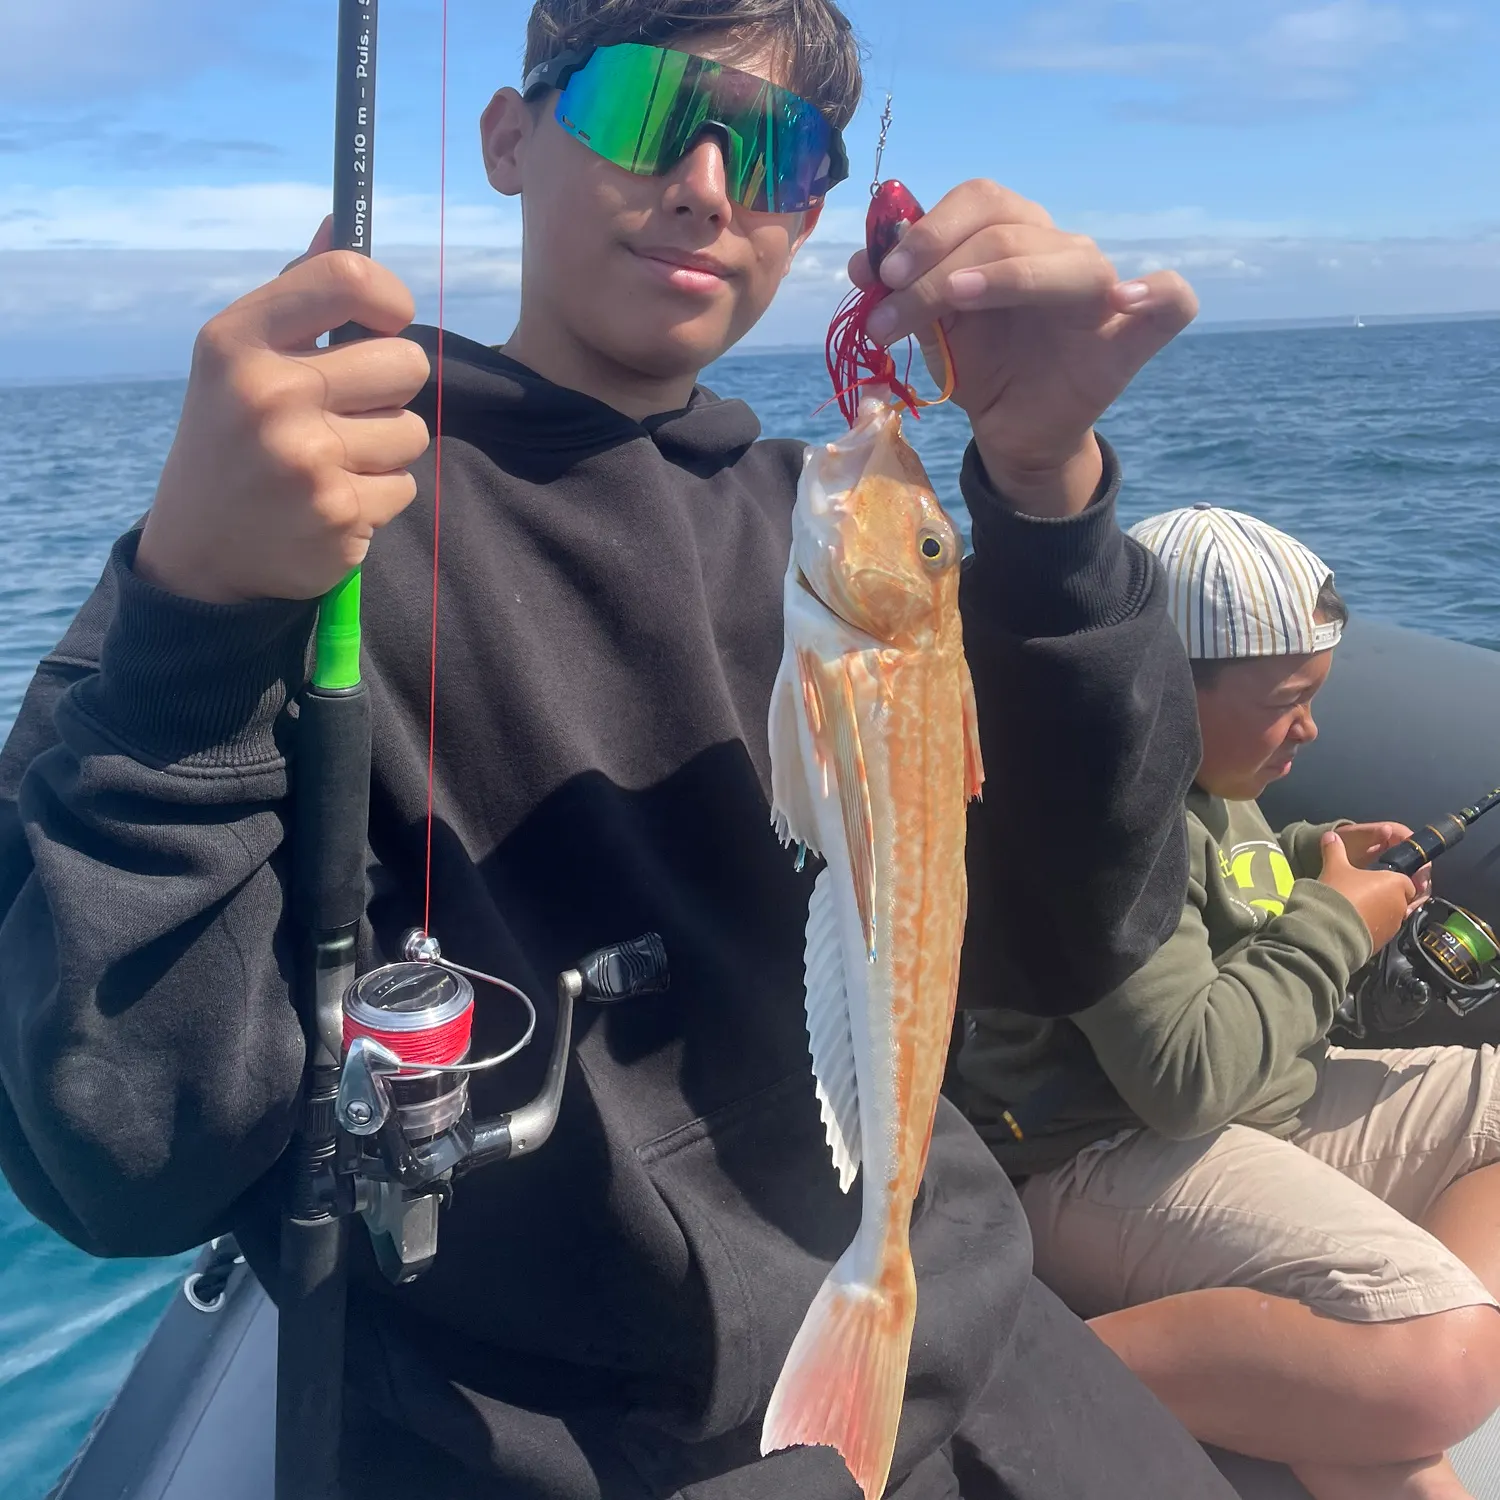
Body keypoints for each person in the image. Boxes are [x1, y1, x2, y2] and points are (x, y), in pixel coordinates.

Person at [0, 2, 1232, 1496]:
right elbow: (119, 1156)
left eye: (778, 151)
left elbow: (1071, 940)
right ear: (508, 138)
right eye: (650, 108)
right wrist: (194, 614)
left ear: (813, 216)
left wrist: (1045, 500)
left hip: (969, 1326)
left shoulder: (826, 536)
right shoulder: (294, 530)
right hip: (589, 1447)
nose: (708, 186)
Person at [961, 502, 1500, 1500]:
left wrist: (1315, 856)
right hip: (1093, 1154)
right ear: (1161, 691)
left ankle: (1344, 1373)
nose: (1311, 728)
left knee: (1448, 1303)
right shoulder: (1099, 829)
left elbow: (1226, 871)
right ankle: (1012, 1384)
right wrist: (1337, 923)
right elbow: (1185, 1080)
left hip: (1256, 1114)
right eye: (1288, 700)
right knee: (1440, 1363)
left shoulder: (1205, 775)